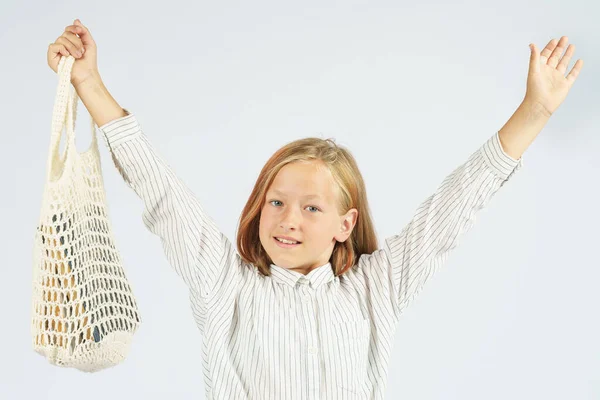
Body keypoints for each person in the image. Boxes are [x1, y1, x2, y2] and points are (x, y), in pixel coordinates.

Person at [47, 19, 583, 399]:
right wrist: (89, 83)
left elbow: (455, 207)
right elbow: (161, 191)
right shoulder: (225, 284)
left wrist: (534, 111)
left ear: (345, 224)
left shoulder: (375, 289)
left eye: (310, 208)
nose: (288, 219)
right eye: (276, 201)